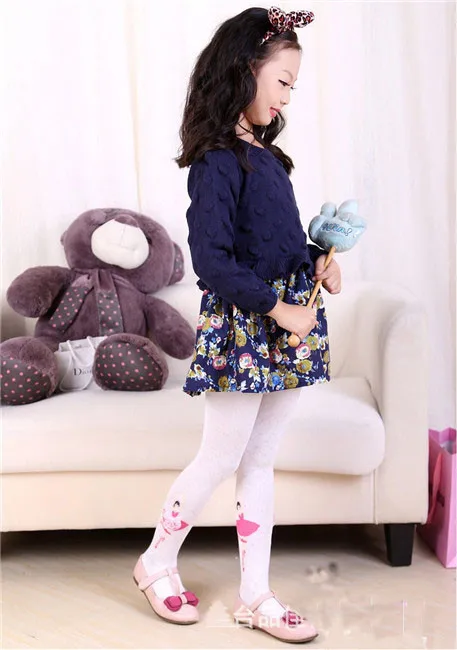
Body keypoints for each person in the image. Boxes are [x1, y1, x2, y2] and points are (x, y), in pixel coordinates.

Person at [133, 5, 341, 643]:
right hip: (248, 329)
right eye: (282, 82)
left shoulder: (270, 160)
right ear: (245, 69)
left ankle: (256, 595)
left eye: (293, 87)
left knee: (259, 461)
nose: (286, 98)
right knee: (221, 455)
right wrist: (281, 310)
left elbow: (278, 244)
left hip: (284, 327)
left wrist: (318, 262)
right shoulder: (218, 160)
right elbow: (214, 261)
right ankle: (156, 560)